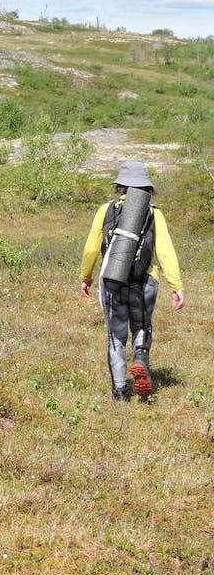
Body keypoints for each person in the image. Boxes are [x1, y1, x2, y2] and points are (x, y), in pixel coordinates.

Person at [80, 160, 184, 400]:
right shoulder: (154, 213)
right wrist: (176, 286)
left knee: (116, 336)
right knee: (142, 326)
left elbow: (91, 248)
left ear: (120, 187)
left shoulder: (105, 210)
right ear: (146, 188)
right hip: (145, 280)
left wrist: (86, 276)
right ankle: (139, 355)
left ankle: (120, 391)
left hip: (112, 281)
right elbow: (166, 251)